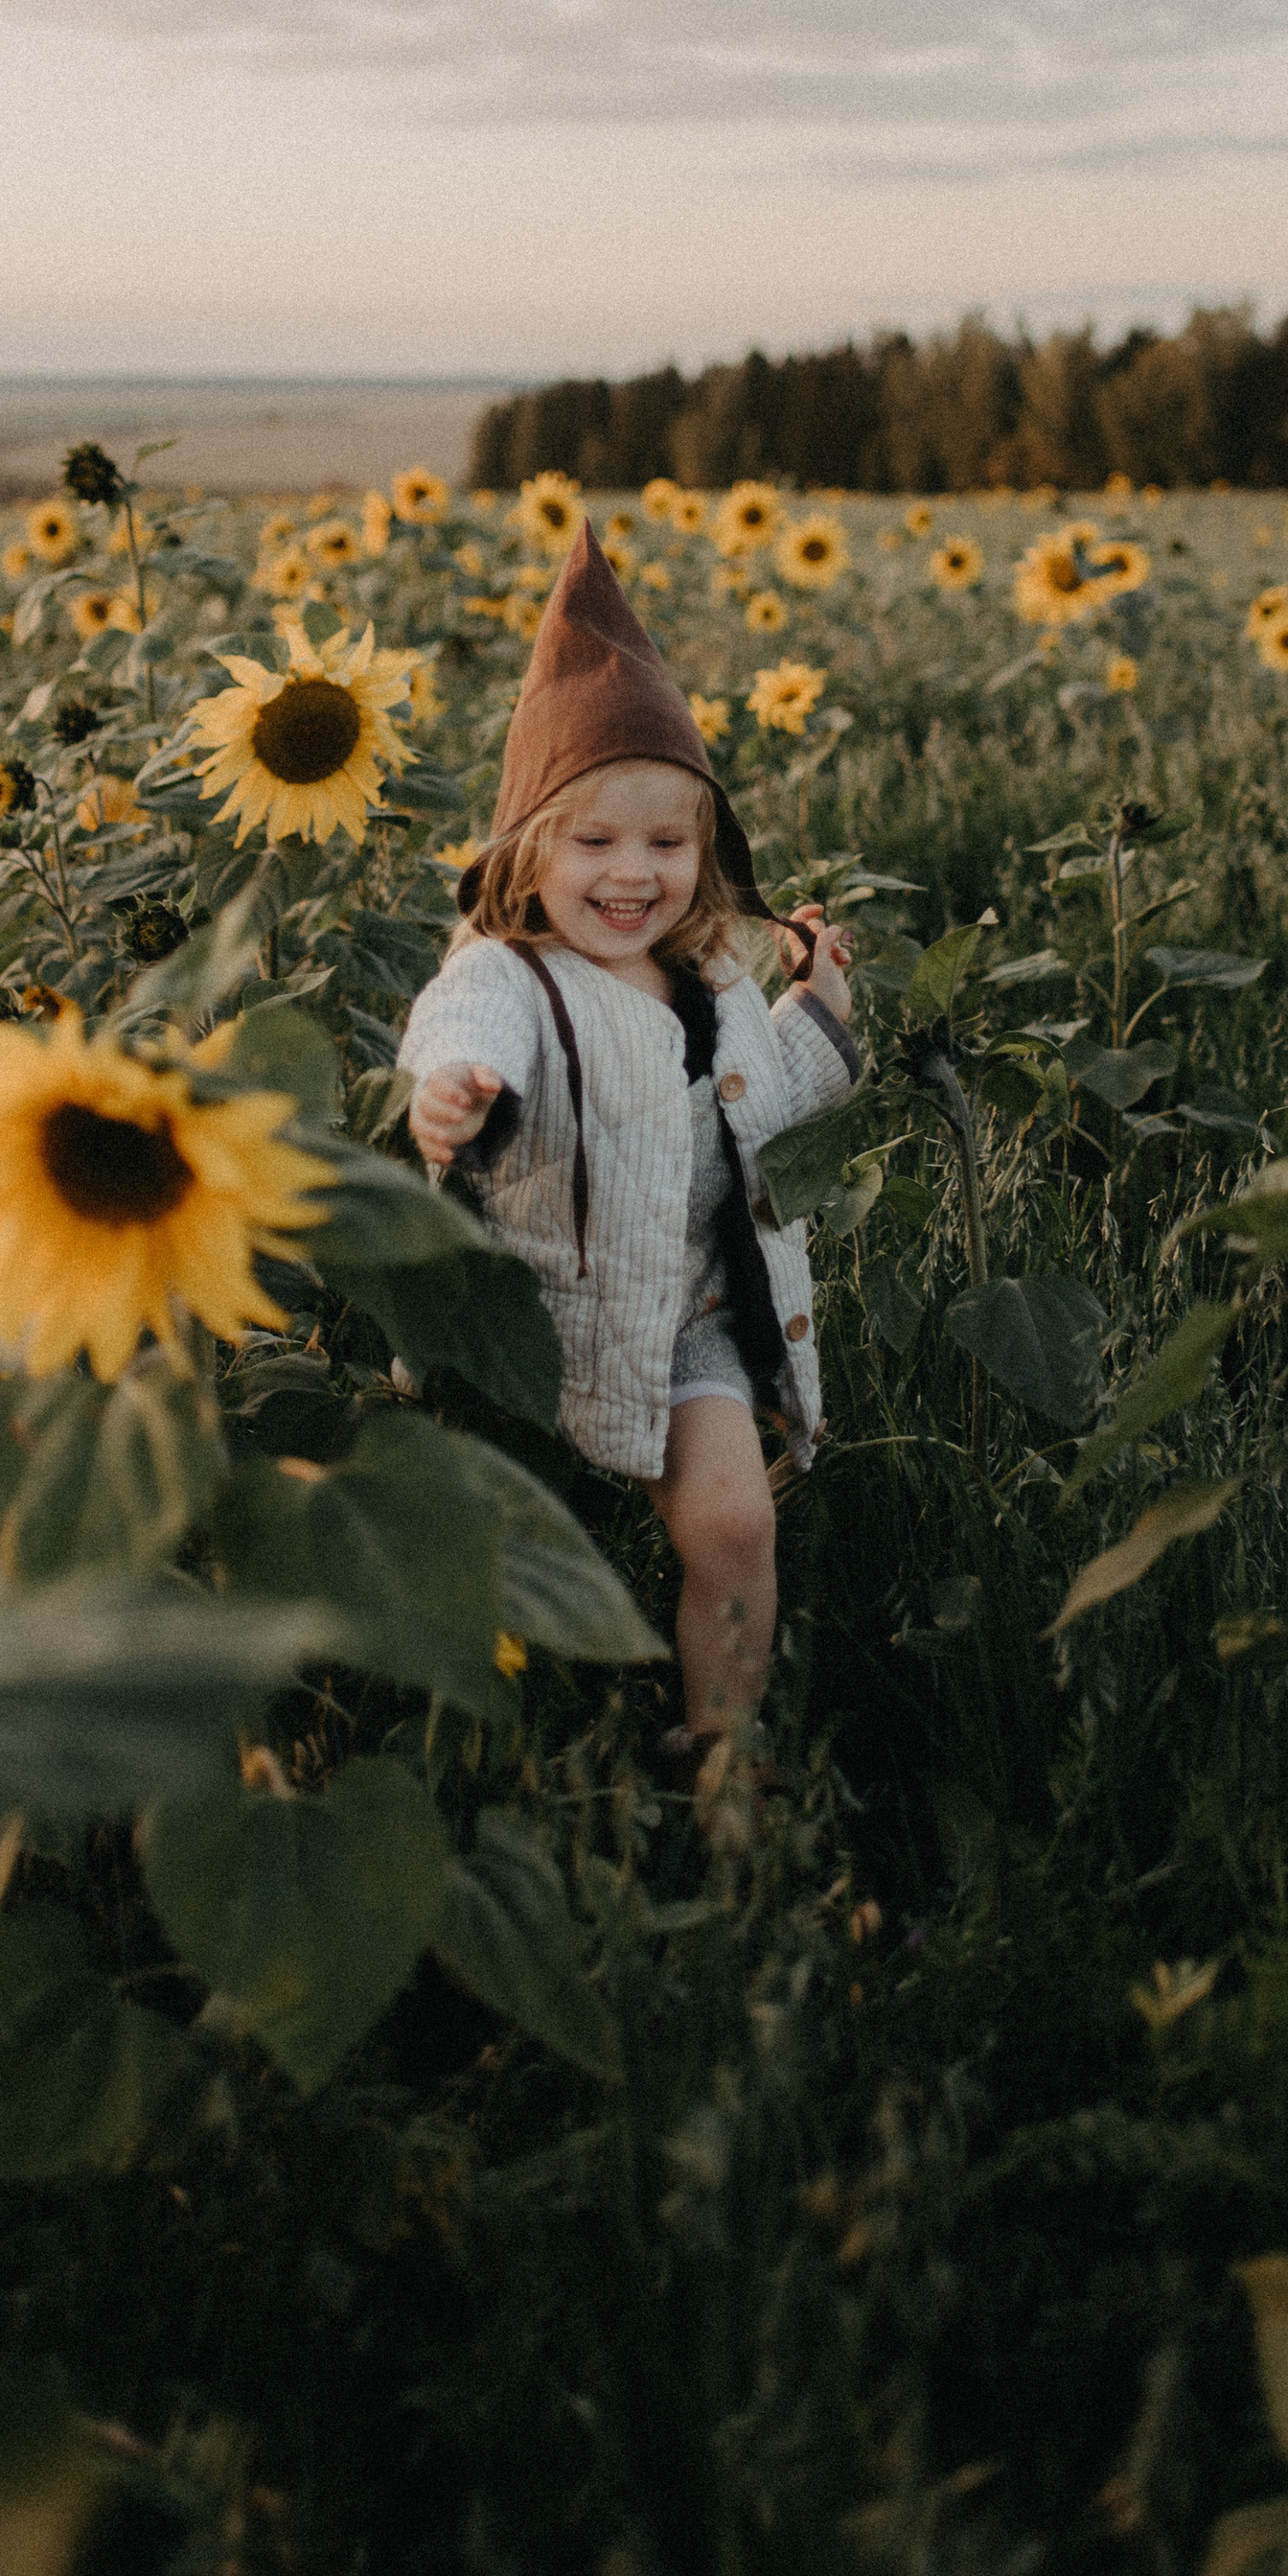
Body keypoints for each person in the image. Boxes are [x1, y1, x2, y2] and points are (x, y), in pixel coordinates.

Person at [399, 522, 860, 1745]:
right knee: (494, 1553)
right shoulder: (517, 974)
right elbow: (456, 1020)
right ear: (529, 845)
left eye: (665, 843)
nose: (630, 875)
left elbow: (766, 1104)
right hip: (534, 1316)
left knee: (733, 1525)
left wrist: (822, 1010)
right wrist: (451, 1087)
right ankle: (501, 1745)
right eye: (593, 841)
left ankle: (722, 1748)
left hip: (695, 1313)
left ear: (705, 850)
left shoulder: (709, 972)